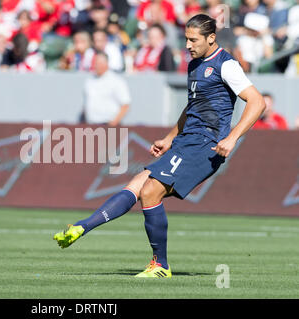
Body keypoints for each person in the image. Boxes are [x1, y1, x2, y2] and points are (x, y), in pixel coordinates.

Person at [54, 14, 266, 278]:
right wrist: (168, 138)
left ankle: (161, 265)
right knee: (137, 184)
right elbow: (193, 107)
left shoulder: (227, 65)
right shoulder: (194, 65)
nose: (188, 45)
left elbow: (257, 102)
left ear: (211, 38)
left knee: (151, 191)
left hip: (206, 144)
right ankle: (82, 227)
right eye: (186, 39)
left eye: (193, 39)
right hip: (186, 140)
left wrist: (232, 137)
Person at [81, 51, 130, 126]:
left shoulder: (116, 81)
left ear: (106, 63)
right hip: (91, 126)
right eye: (95, 63)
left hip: (109, 125)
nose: (96, 66)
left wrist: (113, 123)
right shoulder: (90, 81)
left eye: (98, 63)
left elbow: (125, 104)